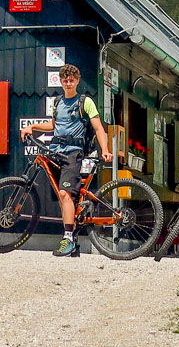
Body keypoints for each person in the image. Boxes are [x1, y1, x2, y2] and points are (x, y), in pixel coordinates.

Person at [19, 63, 112, 257]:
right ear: (61, 82)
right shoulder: (58, 102)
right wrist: (33, 127)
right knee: (64, 198)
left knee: (64, 193)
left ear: (77, 81)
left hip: (74, 152)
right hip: (55, 151)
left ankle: (67, 238)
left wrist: (105, 149)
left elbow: (98, 128)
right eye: (65, 80)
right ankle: (72, 239)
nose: (68, 83)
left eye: (72, 80)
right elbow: (54, 125)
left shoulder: (85, 101)